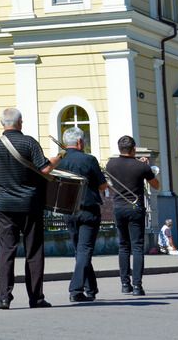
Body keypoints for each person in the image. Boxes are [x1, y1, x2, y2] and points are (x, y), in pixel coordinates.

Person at [0, 107, 59, 309]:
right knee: (33, 251)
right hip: (30, 204)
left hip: (5, 206)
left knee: (6, 251)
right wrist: (58, 158)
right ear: (20, 123)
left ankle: (4, 297)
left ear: (2, 124)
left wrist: (6, 180)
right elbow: (44, 168)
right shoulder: (29, 143)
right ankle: (36, 297)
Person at [55, 127, 106, 302]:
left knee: (80, 251)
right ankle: (76, 290)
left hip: (68, 210)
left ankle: (91, 289)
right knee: (84, 250)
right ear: (79, 142)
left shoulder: (60, 161)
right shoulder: (89, 159)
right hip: (88, 209)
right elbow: (102, 186)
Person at [104, 135, 159, 296]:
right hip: (135, 208)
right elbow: (155, 185)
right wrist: (145, 167)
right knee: (137, 247)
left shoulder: (110, 164)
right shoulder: (140, 166)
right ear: (134, 149)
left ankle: (124, 284)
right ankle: (137, 286)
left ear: (119, 148)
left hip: (119, 207)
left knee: (123, 246)